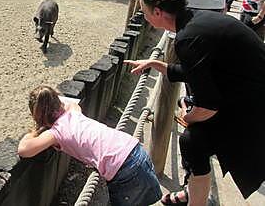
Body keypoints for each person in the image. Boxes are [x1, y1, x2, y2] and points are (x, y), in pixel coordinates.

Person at [124, 0, 265, 205]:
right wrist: (155, 64)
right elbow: (198, 70)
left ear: (158, 12)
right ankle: (193, 193)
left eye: (144, 11)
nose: (144, 16)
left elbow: (208, 106)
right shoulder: (194, 20)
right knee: (194, 136)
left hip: (252, 105)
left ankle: (195, 200)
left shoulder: (187, 38)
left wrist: (185, 117)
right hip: (244, 91)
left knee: (193, 141)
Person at [18, 85, 162, 206]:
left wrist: (35, 130)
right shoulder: (74, 111)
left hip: (125, 170)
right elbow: (71, 104)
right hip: (136, 151)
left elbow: (24, 150)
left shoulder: (56, 132)